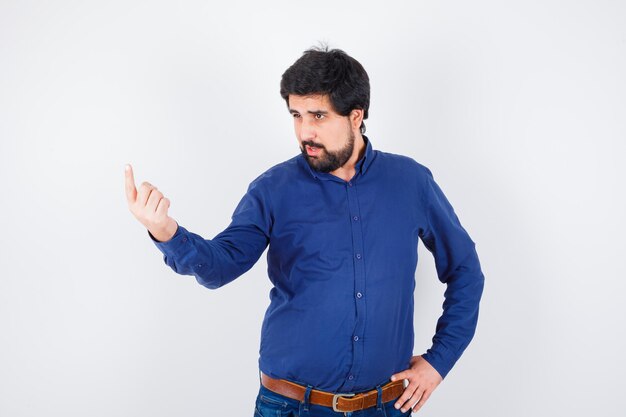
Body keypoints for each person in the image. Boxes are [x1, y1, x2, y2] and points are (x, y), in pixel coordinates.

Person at [124, 44, 485, 416]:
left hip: (385, 406)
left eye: (318, 115)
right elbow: (220, 267)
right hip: (290, 407)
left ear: (356, 116)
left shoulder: (411, 183)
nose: (305, 131)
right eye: (296, 115)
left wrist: (438, 361)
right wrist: (166, 231)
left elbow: (466, 271)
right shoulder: (273, 189)